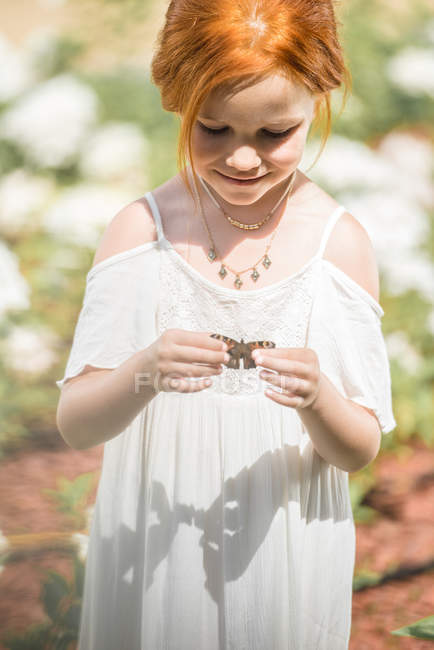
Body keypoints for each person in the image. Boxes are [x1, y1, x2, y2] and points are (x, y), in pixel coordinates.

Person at [55, 1, 396, 648]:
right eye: (213, 129)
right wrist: (143, 371)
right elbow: (77, 423)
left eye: (274, 134)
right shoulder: (143, 232)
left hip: (284, 545)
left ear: (315, 105)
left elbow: (357, 449)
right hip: (158, 540)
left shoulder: (337, 245)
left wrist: (319, 397)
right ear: (182, 104)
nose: (243, 159)